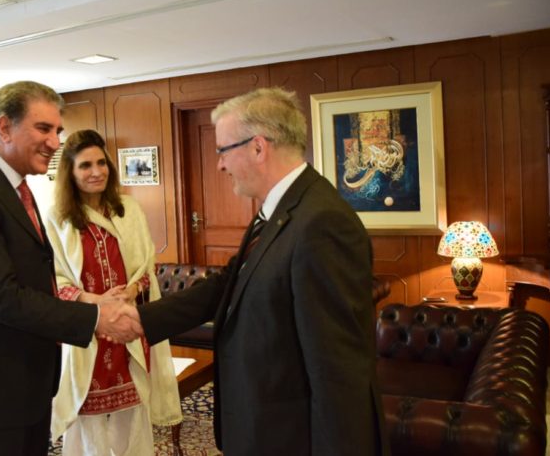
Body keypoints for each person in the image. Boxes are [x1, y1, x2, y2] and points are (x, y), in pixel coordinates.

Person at [137, 87, 388, 455]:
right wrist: (140, 320)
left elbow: (338, 370)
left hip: (291, 436)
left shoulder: (323, 222)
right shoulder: (281, 207)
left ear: (258, 147)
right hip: (263, 425)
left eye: (223, 150)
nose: (219, 164)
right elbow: (229, 282)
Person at [0, 81, 142, 456]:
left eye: (57, 131)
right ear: (4, 128)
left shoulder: (21, 190)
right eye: (43, 129)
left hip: (27, 383)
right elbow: (3, 297)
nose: (54, 142)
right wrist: (96, 317)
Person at [44, 130, 182, 456]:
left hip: (130, 327)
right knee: (87, 418)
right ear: (70, 172)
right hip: (88, 331)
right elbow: (55, 281)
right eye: (85, 166)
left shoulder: (128, 209)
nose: (96, 172)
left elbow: (146, 266)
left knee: (133, 412)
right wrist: (97, 302)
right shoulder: (57, 219)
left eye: (101, 163)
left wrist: (132, 289)